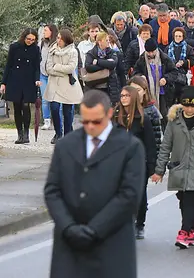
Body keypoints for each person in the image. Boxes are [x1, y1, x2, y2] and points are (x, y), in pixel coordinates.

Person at [43, 90, 145, 278]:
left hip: (111, 245)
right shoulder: (66, 145)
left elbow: (129, 196)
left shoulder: (130, 147)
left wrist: (94, 229)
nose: (90, 127)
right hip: (70, 247)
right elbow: (52, 190)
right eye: (85, 121)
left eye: (96, 122)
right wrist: (68, 227)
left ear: (108, 114)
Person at [153, 86, 194, 249]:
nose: (190, 109)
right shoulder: (174, 121)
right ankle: (192, 229)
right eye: (186, 105)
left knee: (193, 199)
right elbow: (165, 145)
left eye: (193, 105)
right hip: (179, 167)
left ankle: (184, 231)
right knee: (183, 200)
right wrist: (159, 170)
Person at [114, 86, 158, 240]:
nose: (124, 98)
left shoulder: (142, 119)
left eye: (127, 95)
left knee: (139, 194)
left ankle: (139, 224)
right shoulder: (115, 117)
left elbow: (150, 145)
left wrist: (153, 168)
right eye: (122, 95)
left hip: (138, 163)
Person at [0, 28, 41, 144]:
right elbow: (9, 65)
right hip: (15, 79)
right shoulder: (14, 47)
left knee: (26, 105)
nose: (30, 41)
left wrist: (37, 79)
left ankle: (27, 133)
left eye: (33, 39)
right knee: (17, 106)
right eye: (28, 39)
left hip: (29, 80)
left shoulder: (36, 49)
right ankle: (20, 134)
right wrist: (4, 83)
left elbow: (36, 67)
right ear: (24, 37)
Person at [45, 28, 83, 144]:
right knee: (55, 108)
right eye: (57, 38)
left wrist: (57, 67)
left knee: (68, 111)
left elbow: (71, 68)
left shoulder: (73, 51)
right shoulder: (52, 50)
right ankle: (58, 132)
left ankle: (68, 134)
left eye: (60, 38)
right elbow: (49, 68)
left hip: (68, 85)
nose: (58, 40)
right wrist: (61, 70)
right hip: (54, 84)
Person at [133, 38, 178, 122]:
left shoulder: (164, 58)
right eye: (148, 52)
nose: (150, 54)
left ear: (156, 49)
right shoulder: (142, 59)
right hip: (147, 93)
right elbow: (135, 72)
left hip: (162, 92)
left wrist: (166, 78)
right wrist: (141, 77)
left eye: (152, 52)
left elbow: (174, 72)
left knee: (164, 115)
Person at [84, 31, 121, 105]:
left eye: (108, 40)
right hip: (95, 85)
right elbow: (88, 67)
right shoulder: (91, 53)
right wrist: (105, 64)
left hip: (110, 85)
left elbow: (113, 64)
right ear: (100, 42)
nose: (108, 42)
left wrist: (97, 61)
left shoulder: (112, 52)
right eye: (106, 40)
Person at [166, 27, 194, 101]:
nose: (178, 38)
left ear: (183, 37)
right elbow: (164, 60)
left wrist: (184, 62)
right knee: (170, 99)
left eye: (180, 36)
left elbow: (193, 60)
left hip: (182, 76)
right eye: (176, 36)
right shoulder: (168, 48)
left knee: (182, 99)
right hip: (171, 77)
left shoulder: (188, 48)